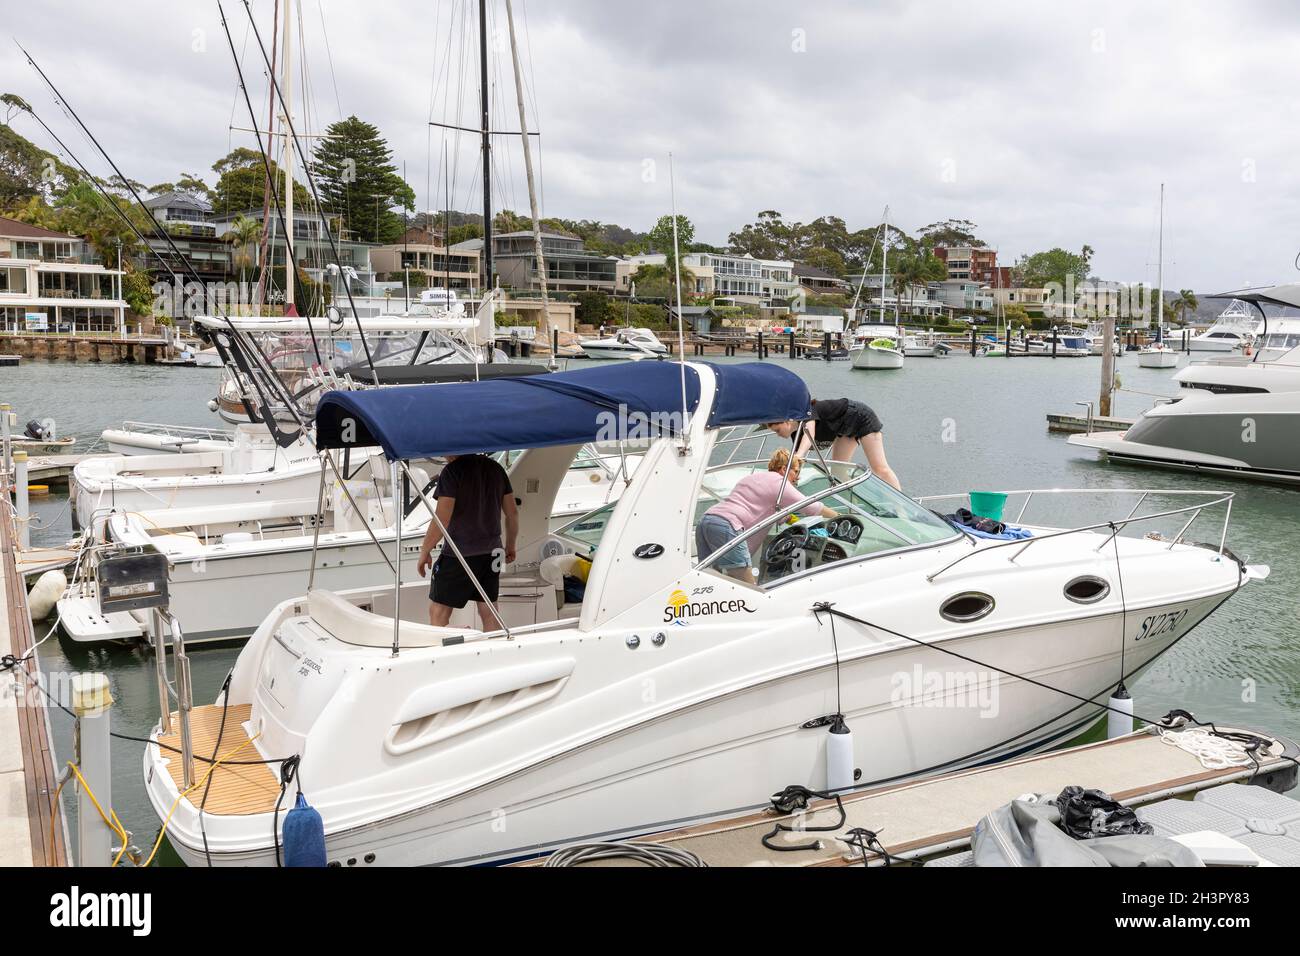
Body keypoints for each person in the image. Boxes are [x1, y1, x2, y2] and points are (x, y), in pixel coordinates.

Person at [695, 449, 837, 582]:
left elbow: (771, 511)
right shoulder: (779, 483)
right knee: (746, 587)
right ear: (784, 469)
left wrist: (793, 520)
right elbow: (811, 506)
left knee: (708, 580)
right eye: (796, 472)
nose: (797, 478)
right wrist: (838, 516)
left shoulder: (753, 477)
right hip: (729, 526)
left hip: (707, 520)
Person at [416, 453, 519, 630]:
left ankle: (440, 655)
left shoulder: (452, 472)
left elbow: (442, 518)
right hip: (493, 553)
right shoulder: (496, 469)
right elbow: (512, 513)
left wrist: (425, 551)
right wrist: (510, 545)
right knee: (490, 610)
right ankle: (492, 650)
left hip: (460, 554)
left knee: (438, 612)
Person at [767, 396, 901, 490]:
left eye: (777, 430)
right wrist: (788, 483)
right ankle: (853, 505)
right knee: (838, 472)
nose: (778, 435)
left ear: (787, 421)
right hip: (843, 430)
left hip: (859, 416)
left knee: (880, 468)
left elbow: (810, 435)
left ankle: (902, 510)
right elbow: (797, 466)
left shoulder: (807, 412)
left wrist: (799, 455)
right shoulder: (796, 435)